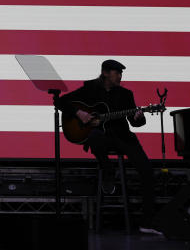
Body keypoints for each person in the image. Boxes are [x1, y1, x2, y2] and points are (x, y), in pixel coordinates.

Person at [56, 59, 161, 234]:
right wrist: (78, 112)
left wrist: (139, 117)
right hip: (102, 138)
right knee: (95, 136)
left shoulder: (126, 94)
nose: (120, 76)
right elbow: (60, 102)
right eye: (117, 73)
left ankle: (147, 222)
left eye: (121, 73)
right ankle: (108, 172)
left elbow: (135, 124)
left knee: (147, 171)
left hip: (123, 137)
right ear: (105, 73)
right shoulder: (89, 89)